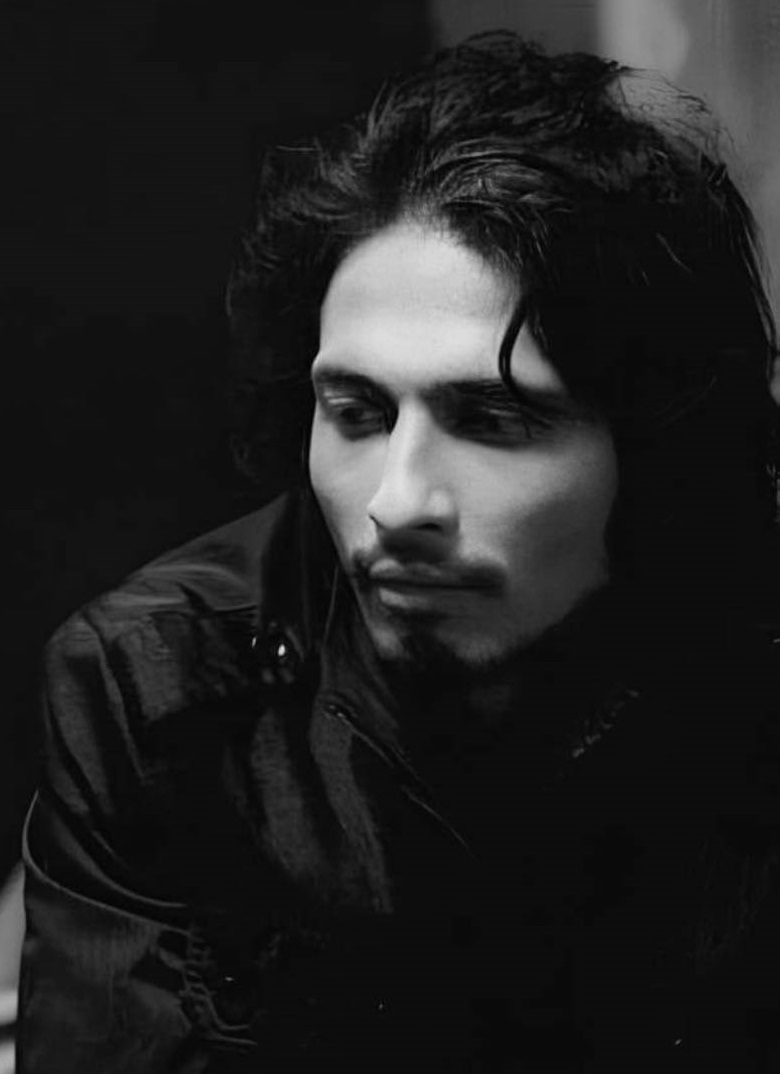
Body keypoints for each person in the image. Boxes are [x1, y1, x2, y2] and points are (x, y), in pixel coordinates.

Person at [17, 32, 780, 1072]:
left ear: (653, 450)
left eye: (495, 421)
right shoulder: (155, 690)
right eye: (358, 413)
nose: (398, 503)